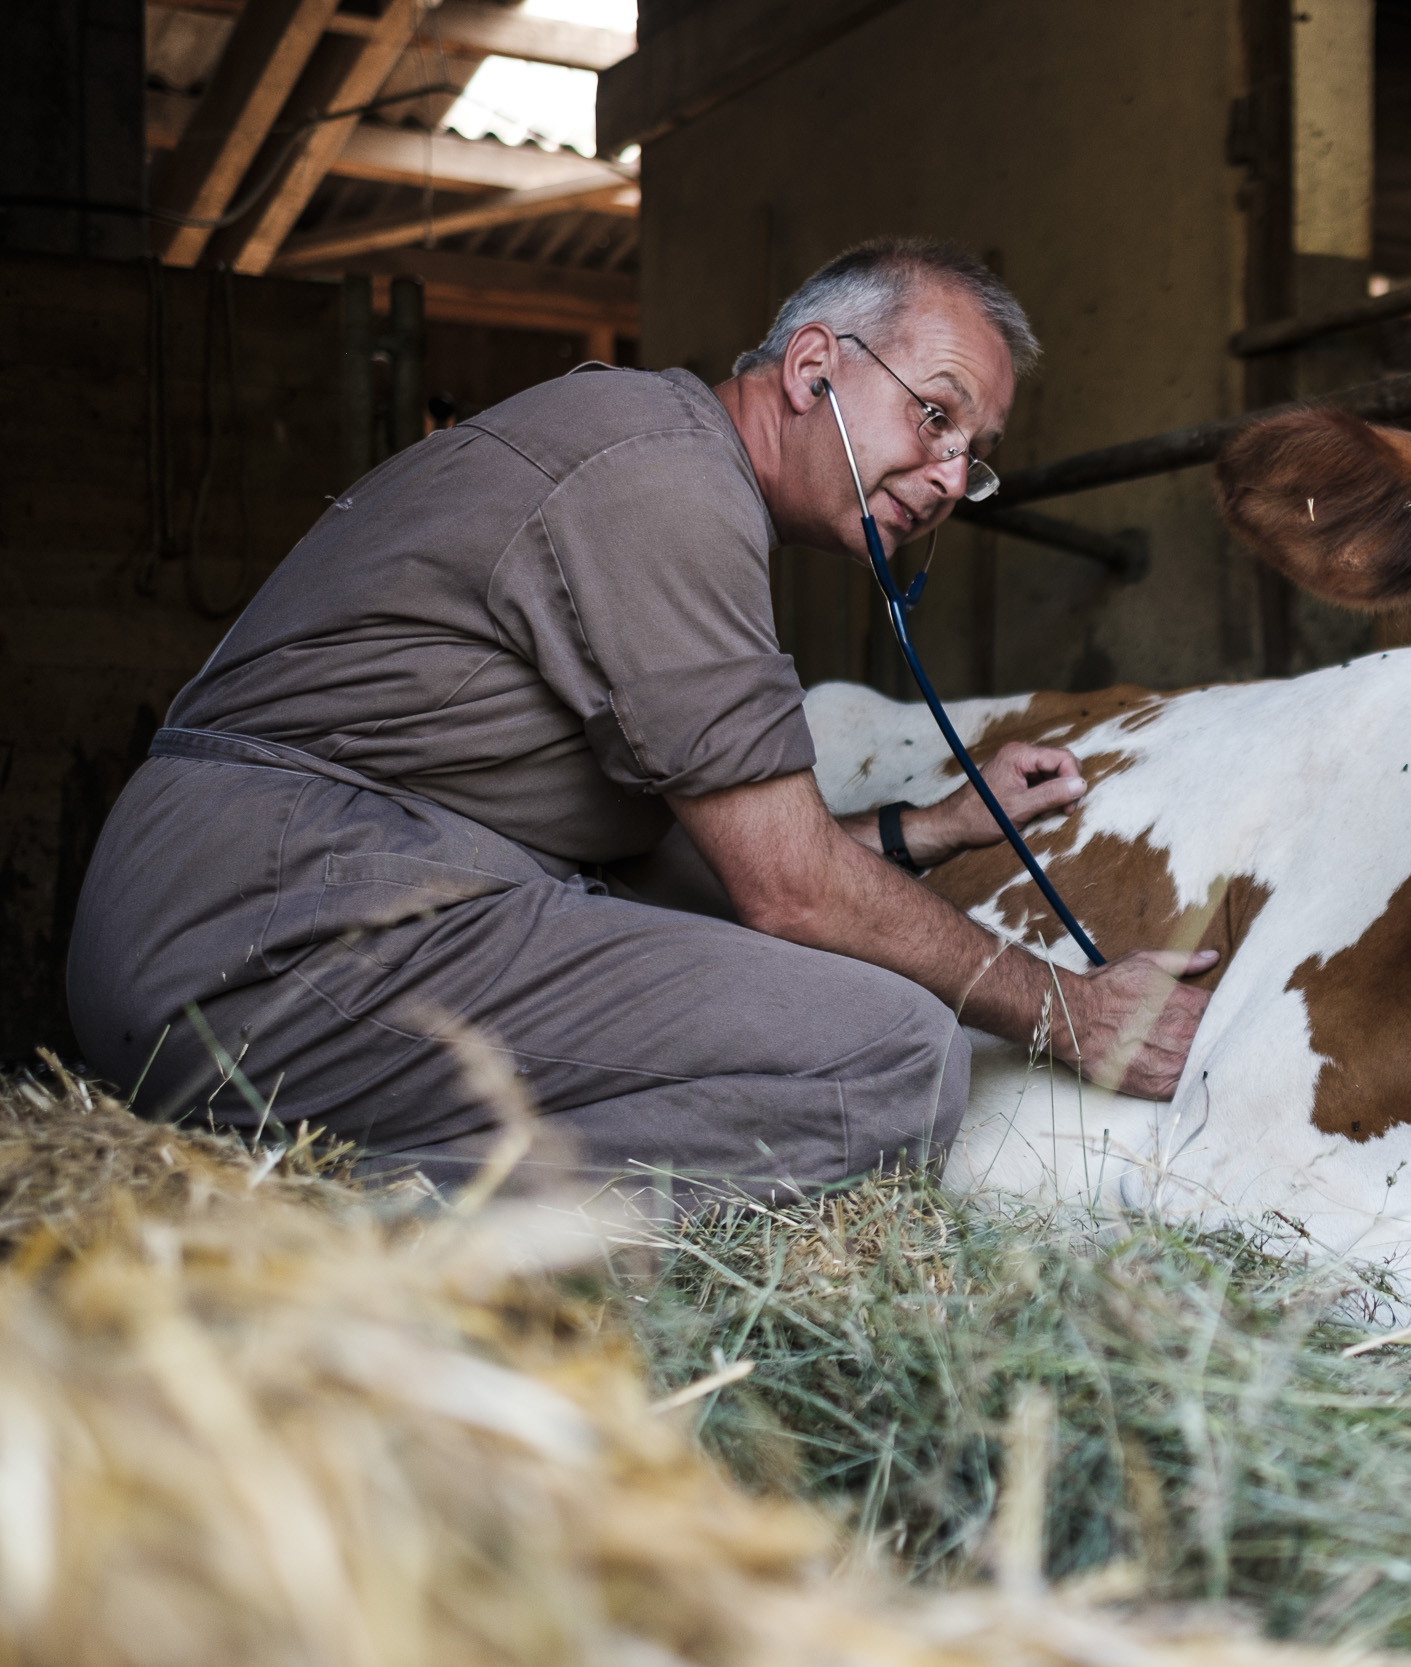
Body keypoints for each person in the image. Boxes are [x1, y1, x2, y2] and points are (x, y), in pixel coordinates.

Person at [65, 238, 1214, 1209]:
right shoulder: (661, 477)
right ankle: (323, 1237)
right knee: (891, 1056)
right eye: (936, 414)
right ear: (813, 366)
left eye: (976, 457)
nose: (951, 476)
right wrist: (1070, 1010)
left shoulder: (660, 456)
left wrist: (927, 827)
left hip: (283, 910)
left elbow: (703, 857)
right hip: (269, 932)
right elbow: (788, 890)